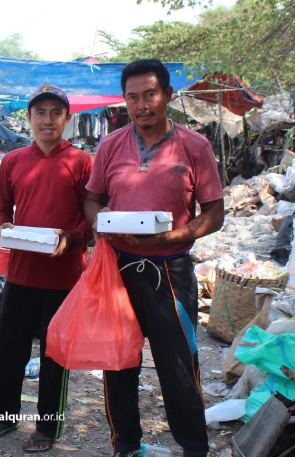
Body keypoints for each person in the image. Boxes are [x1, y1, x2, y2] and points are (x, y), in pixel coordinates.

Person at [84, 59, 225, 457]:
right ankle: (125, 444)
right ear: (124, 101)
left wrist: (179, 234)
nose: (141, 104)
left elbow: (214, 212)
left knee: (179, 366)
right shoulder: (110, 145)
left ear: (167, 96)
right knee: (119, 363)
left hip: (171, 271)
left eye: (150, 94)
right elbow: (92, 198)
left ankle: (194, 448)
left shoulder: (194, 146)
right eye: (133, 97)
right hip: (119, 270)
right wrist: (103, 225)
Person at [0, 84, 93, 453]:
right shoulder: (13, 161)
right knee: (7, 350)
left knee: (54, 355)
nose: (48, 120)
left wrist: (70, 239)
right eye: (40, 113)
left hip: (64, 277)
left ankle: (48, 427)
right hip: (21, 273)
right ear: (29, 118)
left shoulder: (82, 163)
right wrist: (1, 227)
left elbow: (93, 223)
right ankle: (1, 417)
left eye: (55, 113)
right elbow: (0, 208)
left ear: (67, 119)